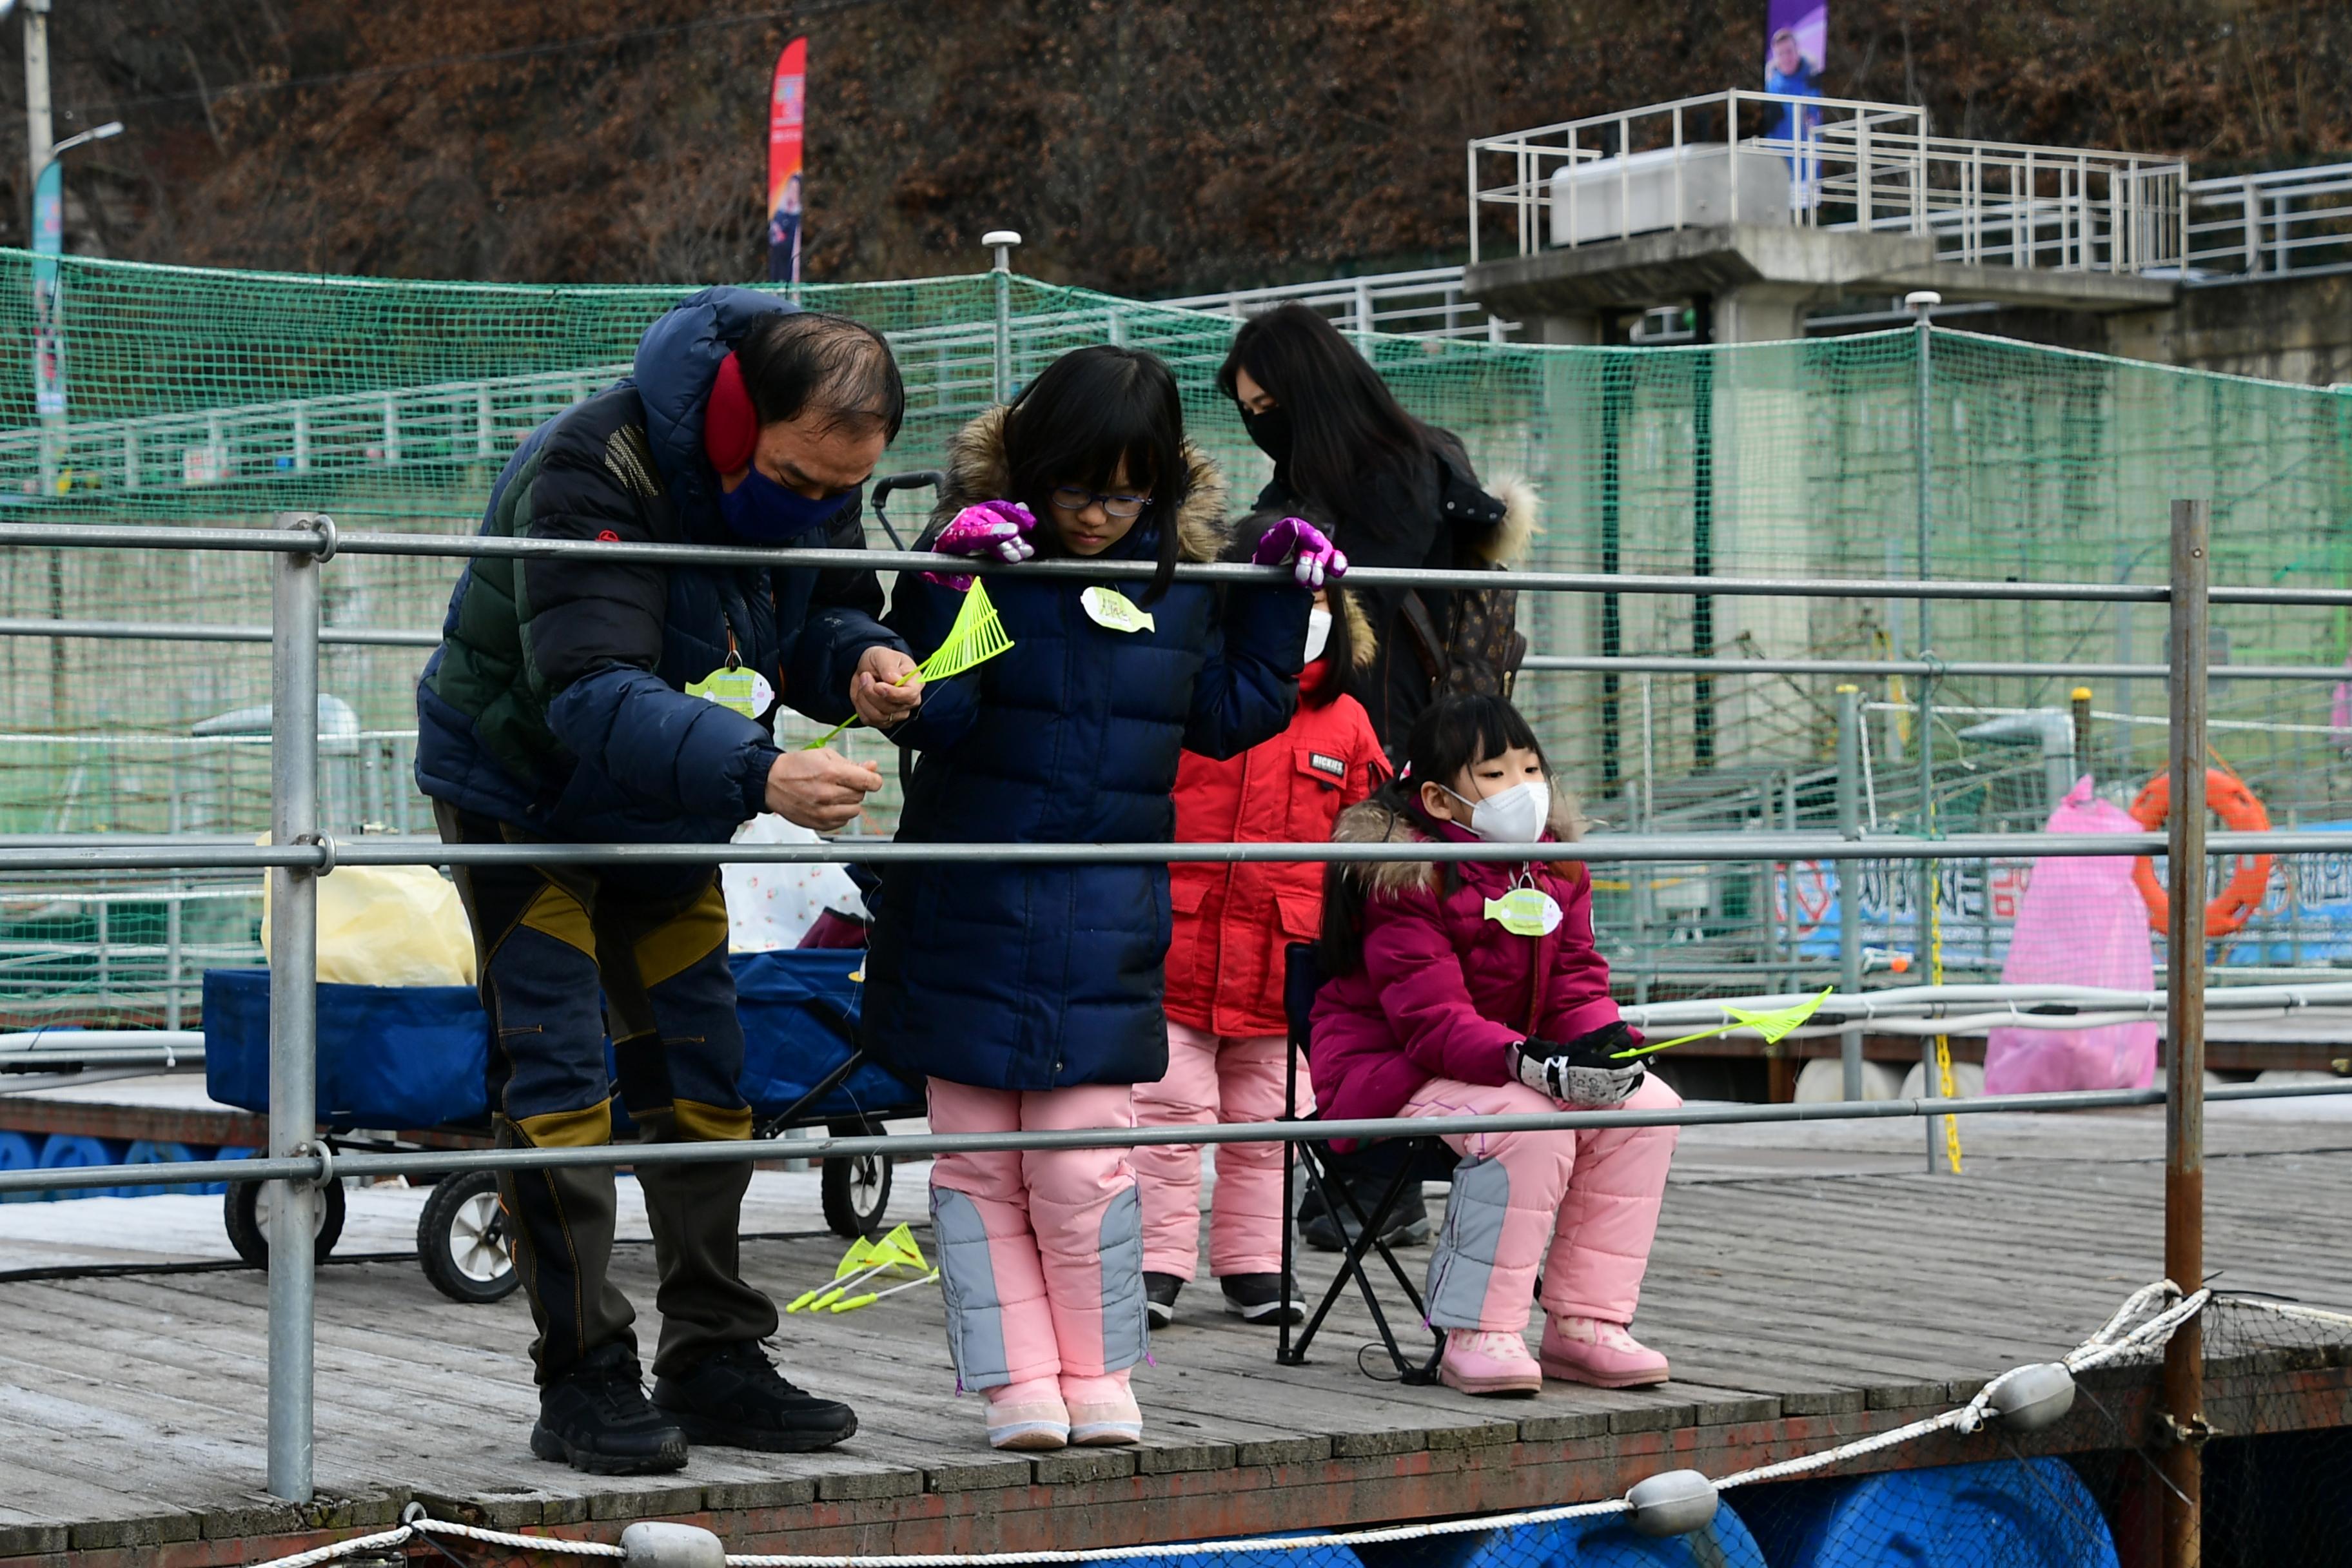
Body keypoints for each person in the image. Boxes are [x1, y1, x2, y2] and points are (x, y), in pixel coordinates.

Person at [414, 289, 923, 1474]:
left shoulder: (815, 479)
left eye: (835, 492)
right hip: (525, 797)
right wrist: (761, 772)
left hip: (673, 796)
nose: (813, 507)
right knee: (557, 1074)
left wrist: (863, 664)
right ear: (743, 418)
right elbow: (588, 687)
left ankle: (713, 1353)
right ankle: (583, 1374)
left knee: (703, 1068)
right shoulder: (593, 463)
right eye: (796, 481)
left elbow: (820, 614)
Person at [859, 345, 1338, 1451]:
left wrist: (1275, 594)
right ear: (1031, 471)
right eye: (1076, 488)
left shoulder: (1177, 578)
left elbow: (1225, 715)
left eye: (1126, 492)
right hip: (966, 916)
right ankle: (1014, 1383)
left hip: (1105, 926)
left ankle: (1103, 1370)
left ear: (1160, 485)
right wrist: (942, 579)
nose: (1098, 514)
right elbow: (932, 714)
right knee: (978, 1171)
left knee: (1084, 1164)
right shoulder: (989, 561)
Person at [1311, 693, 1681, 1397]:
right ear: (1439, 798)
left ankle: (1587, 1323)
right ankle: (1477, 1329)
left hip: (1507, 1061)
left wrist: (1604, 1048)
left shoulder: (1555, 866)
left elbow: (1577, 984)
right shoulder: (1403, 873)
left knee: (1647, 1109)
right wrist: (1529, 1061)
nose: (1525, 789)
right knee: (1527, 1125)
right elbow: (1429, 1019)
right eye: (1496, 773)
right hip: (1391, 1065)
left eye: (1532, 767)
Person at [1134, 582, 1386, 1328]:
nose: (1307, 621)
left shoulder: (1347, 721)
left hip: (1286, 957)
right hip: (1176, 947)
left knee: (1268, 1121)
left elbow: (1371, 842)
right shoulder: (1192, 694)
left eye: (1321, 607)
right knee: (1165, 1115)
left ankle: (1256, 1263)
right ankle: (1153, 1261)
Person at [1218, 304, 1536, 754]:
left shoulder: (1400, 473)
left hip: (1387, 734)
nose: (1259, 425)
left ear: (1315, 393)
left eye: (1269, 406)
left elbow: (1356, 614)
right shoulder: (1302, 477)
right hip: (1320, 727)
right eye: (1248, 411)